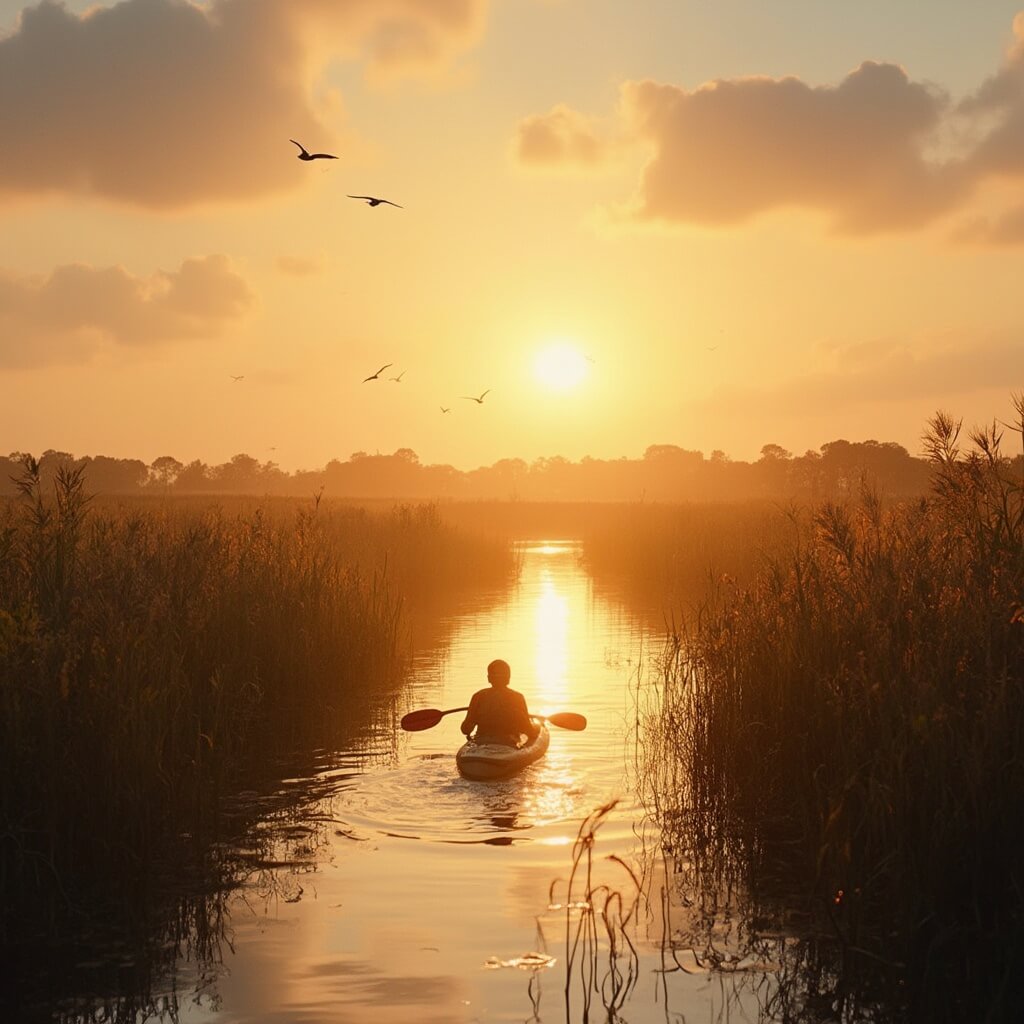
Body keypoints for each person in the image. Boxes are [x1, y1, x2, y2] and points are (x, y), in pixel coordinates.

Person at [461, 659, 540, 748]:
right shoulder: (517, 697)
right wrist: (537, 729)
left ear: (489, 678)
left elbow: (465, 729)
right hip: (508, 743)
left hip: (481, 742)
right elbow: (528, 730)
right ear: (508, 678)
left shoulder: (478, 696)